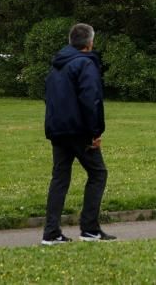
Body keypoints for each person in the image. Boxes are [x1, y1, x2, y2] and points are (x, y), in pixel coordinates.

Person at [42, 23, 115, 244]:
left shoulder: (57, 65)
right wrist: (95, 132)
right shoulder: (86, 64)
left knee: (60, 178)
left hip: (58, 128)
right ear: (90, 42)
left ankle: (51, 231)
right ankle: (89, 227)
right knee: (98, 173)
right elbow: (91, 99)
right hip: (79, 129)